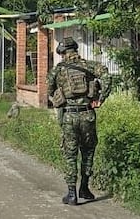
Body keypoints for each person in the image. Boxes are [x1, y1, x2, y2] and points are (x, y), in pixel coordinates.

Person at [45, 36, 110, 206]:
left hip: (69, 116)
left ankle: (71, 194)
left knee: (70, 155)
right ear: (75, 50)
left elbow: (49, 90)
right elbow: (107, 78)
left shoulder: (58, 70)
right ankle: (85, 188)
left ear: (62, 53)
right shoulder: (89, 66)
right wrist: (100, 99)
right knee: (88, 152)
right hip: (88, 115)